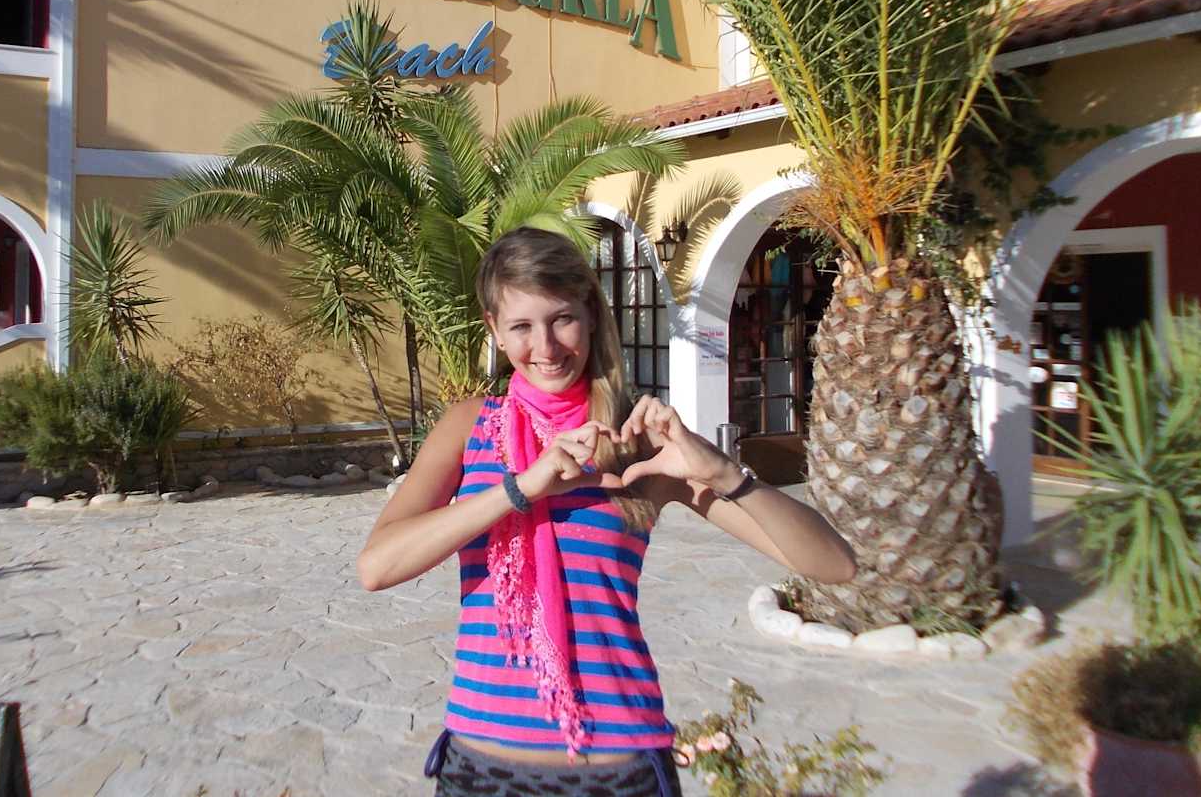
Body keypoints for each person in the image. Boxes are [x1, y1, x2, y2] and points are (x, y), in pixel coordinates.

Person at [358, 227, 856, 796]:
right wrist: (521, 489)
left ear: (592, 315)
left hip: (617, 769)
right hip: (480, 766)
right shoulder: (468, 428)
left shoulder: (639, 443)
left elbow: (833, 564)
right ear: (494, 329)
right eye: (521, 327)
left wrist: (722, 472)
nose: (546, 347)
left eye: (562, 319)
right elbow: (378, 566)